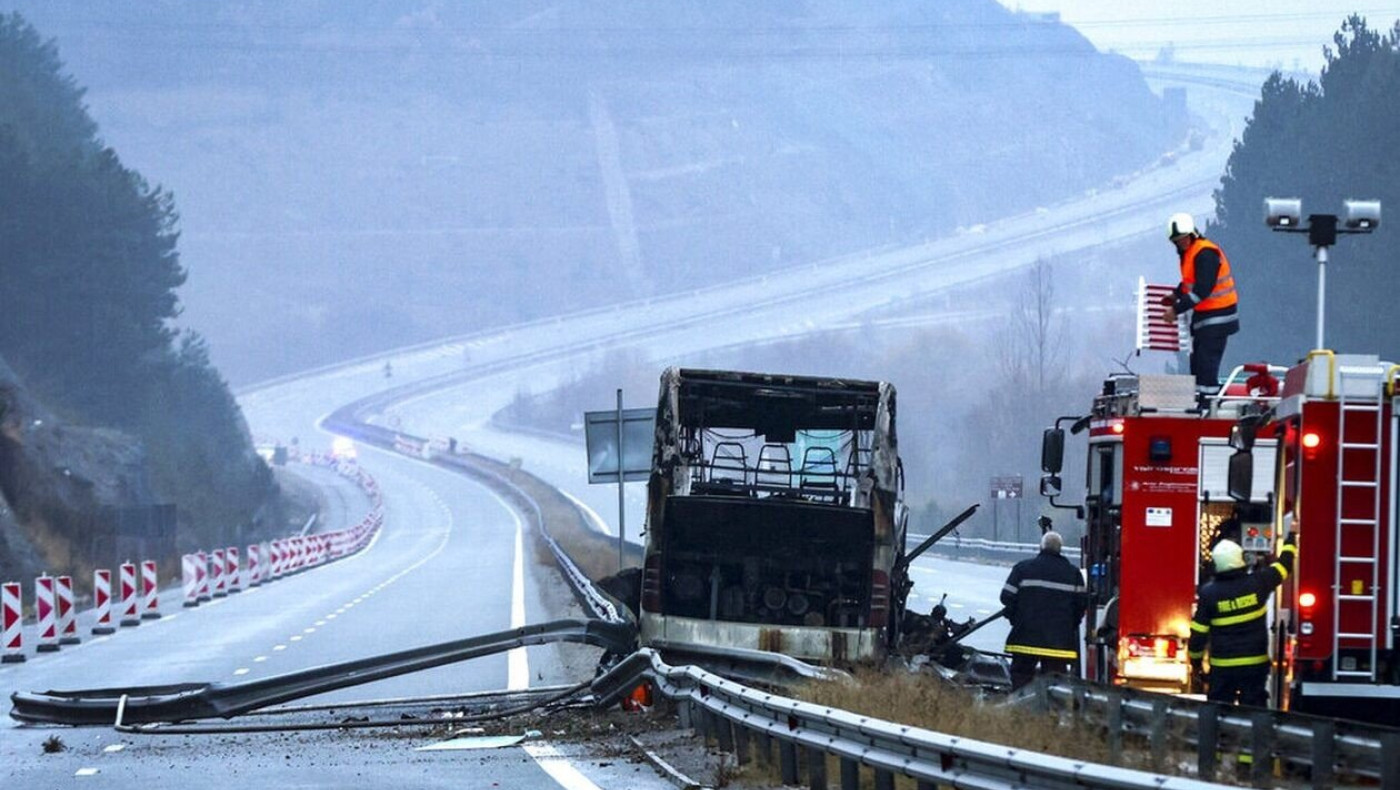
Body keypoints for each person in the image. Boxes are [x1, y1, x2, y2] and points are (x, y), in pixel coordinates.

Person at [1188, 534, 1297, 707]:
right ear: (1241, 560)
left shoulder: (1209, 594)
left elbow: (1198, 634)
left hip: (1223, 669)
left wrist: (1196, 663)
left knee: (1219, 711)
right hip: (1254, 666)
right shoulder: (1259, 582)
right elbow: (1284, 566)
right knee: (1254, 710)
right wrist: (1291, 539)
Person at [1160, 212, 1239, 403]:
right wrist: (1175, 295)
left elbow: (1202, 290)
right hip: (1206, 318)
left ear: (1192, 234)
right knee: (1198, 364)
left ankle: (1208, 403)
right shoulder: (1191, 253)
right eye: (1177, 241)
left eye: (1183, 239)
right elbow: (1190, 282)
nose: (1181, 243)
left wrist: (1175, 310)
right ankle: (1200, 400)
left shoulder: (1205, 253)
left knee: (1207, 365)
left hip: (1218, 317)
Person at [1000, 530, 1087, 690]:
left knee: (1021, 677)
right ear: (1060, 549)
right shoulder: (1073, 573)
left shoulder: (1022, 569)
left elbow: (1006, 597)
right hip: (1059, 642)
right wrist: (1069, 626)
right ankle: (1049, 705)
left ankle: (1022, 703)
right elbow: (1081, 605)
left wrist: (1015, 617)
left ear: (1041, 547)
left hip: (1025, 637)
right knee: (1055, 684)